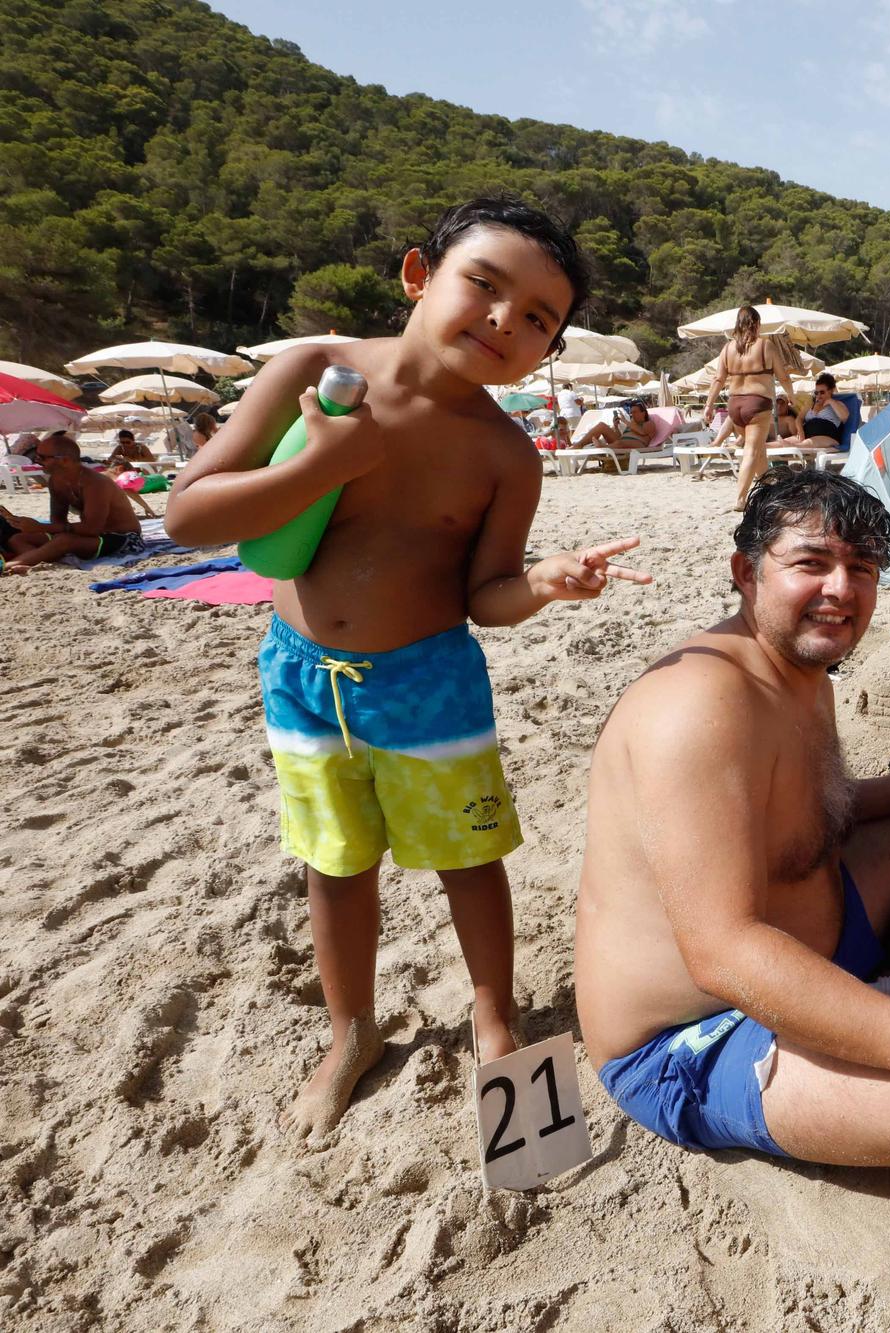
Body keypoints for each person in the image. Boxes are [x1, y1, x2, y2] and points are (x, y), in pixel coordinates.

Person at [165, 195, 651, 1142]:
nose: (507, 319)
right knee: (336, 864)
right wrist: (322, 464)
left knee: (471, 859)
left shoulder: (506, 455)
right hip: (304, 678)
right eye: (486, 284)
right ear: (419, 276)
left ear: (545, 353)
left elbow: (486, 596)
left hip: (431, 682)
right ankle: (351, 1033)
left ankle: (494, 1017)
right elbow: (191, 515)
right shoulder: (315, 368)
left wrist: (543, 584)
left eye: (539, 318)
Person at [577, 470, 890, 1164]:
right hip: (698, 1034)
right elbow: (722, 948)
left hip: (816, 946)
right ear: (745, 573)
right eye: (811, 563)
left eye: (863, 568)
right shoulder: (697, 706)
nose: (842, 590)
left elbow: (801, 812)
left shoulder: (799, 671)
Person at [1, 434, 145, 573]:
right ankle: (36, 562)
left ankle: (11, 566)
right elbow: (58, 519)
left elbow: (91, 529)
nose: (36, 460)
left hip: (124, 538)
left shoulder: (95, 483)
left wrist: (40, 527)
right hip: (91, 537)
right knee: (18, 538)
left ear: (65, 460)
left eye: (42, 457)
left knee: (64, 541)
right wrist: (20, 524)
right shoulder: (56, 481)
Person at [701, 306, 796, 512]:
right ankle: (740, 499)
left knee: (759, 451)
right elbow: (783, 376)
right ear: (757, 324)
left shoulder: (727, 349)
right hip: (757, 404)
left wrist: (709, 405)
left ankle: (768, 489)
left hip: (735, 405)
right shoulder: (765, 346)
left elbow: (718, 379)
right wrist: (791, 395)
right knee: (751, 451)